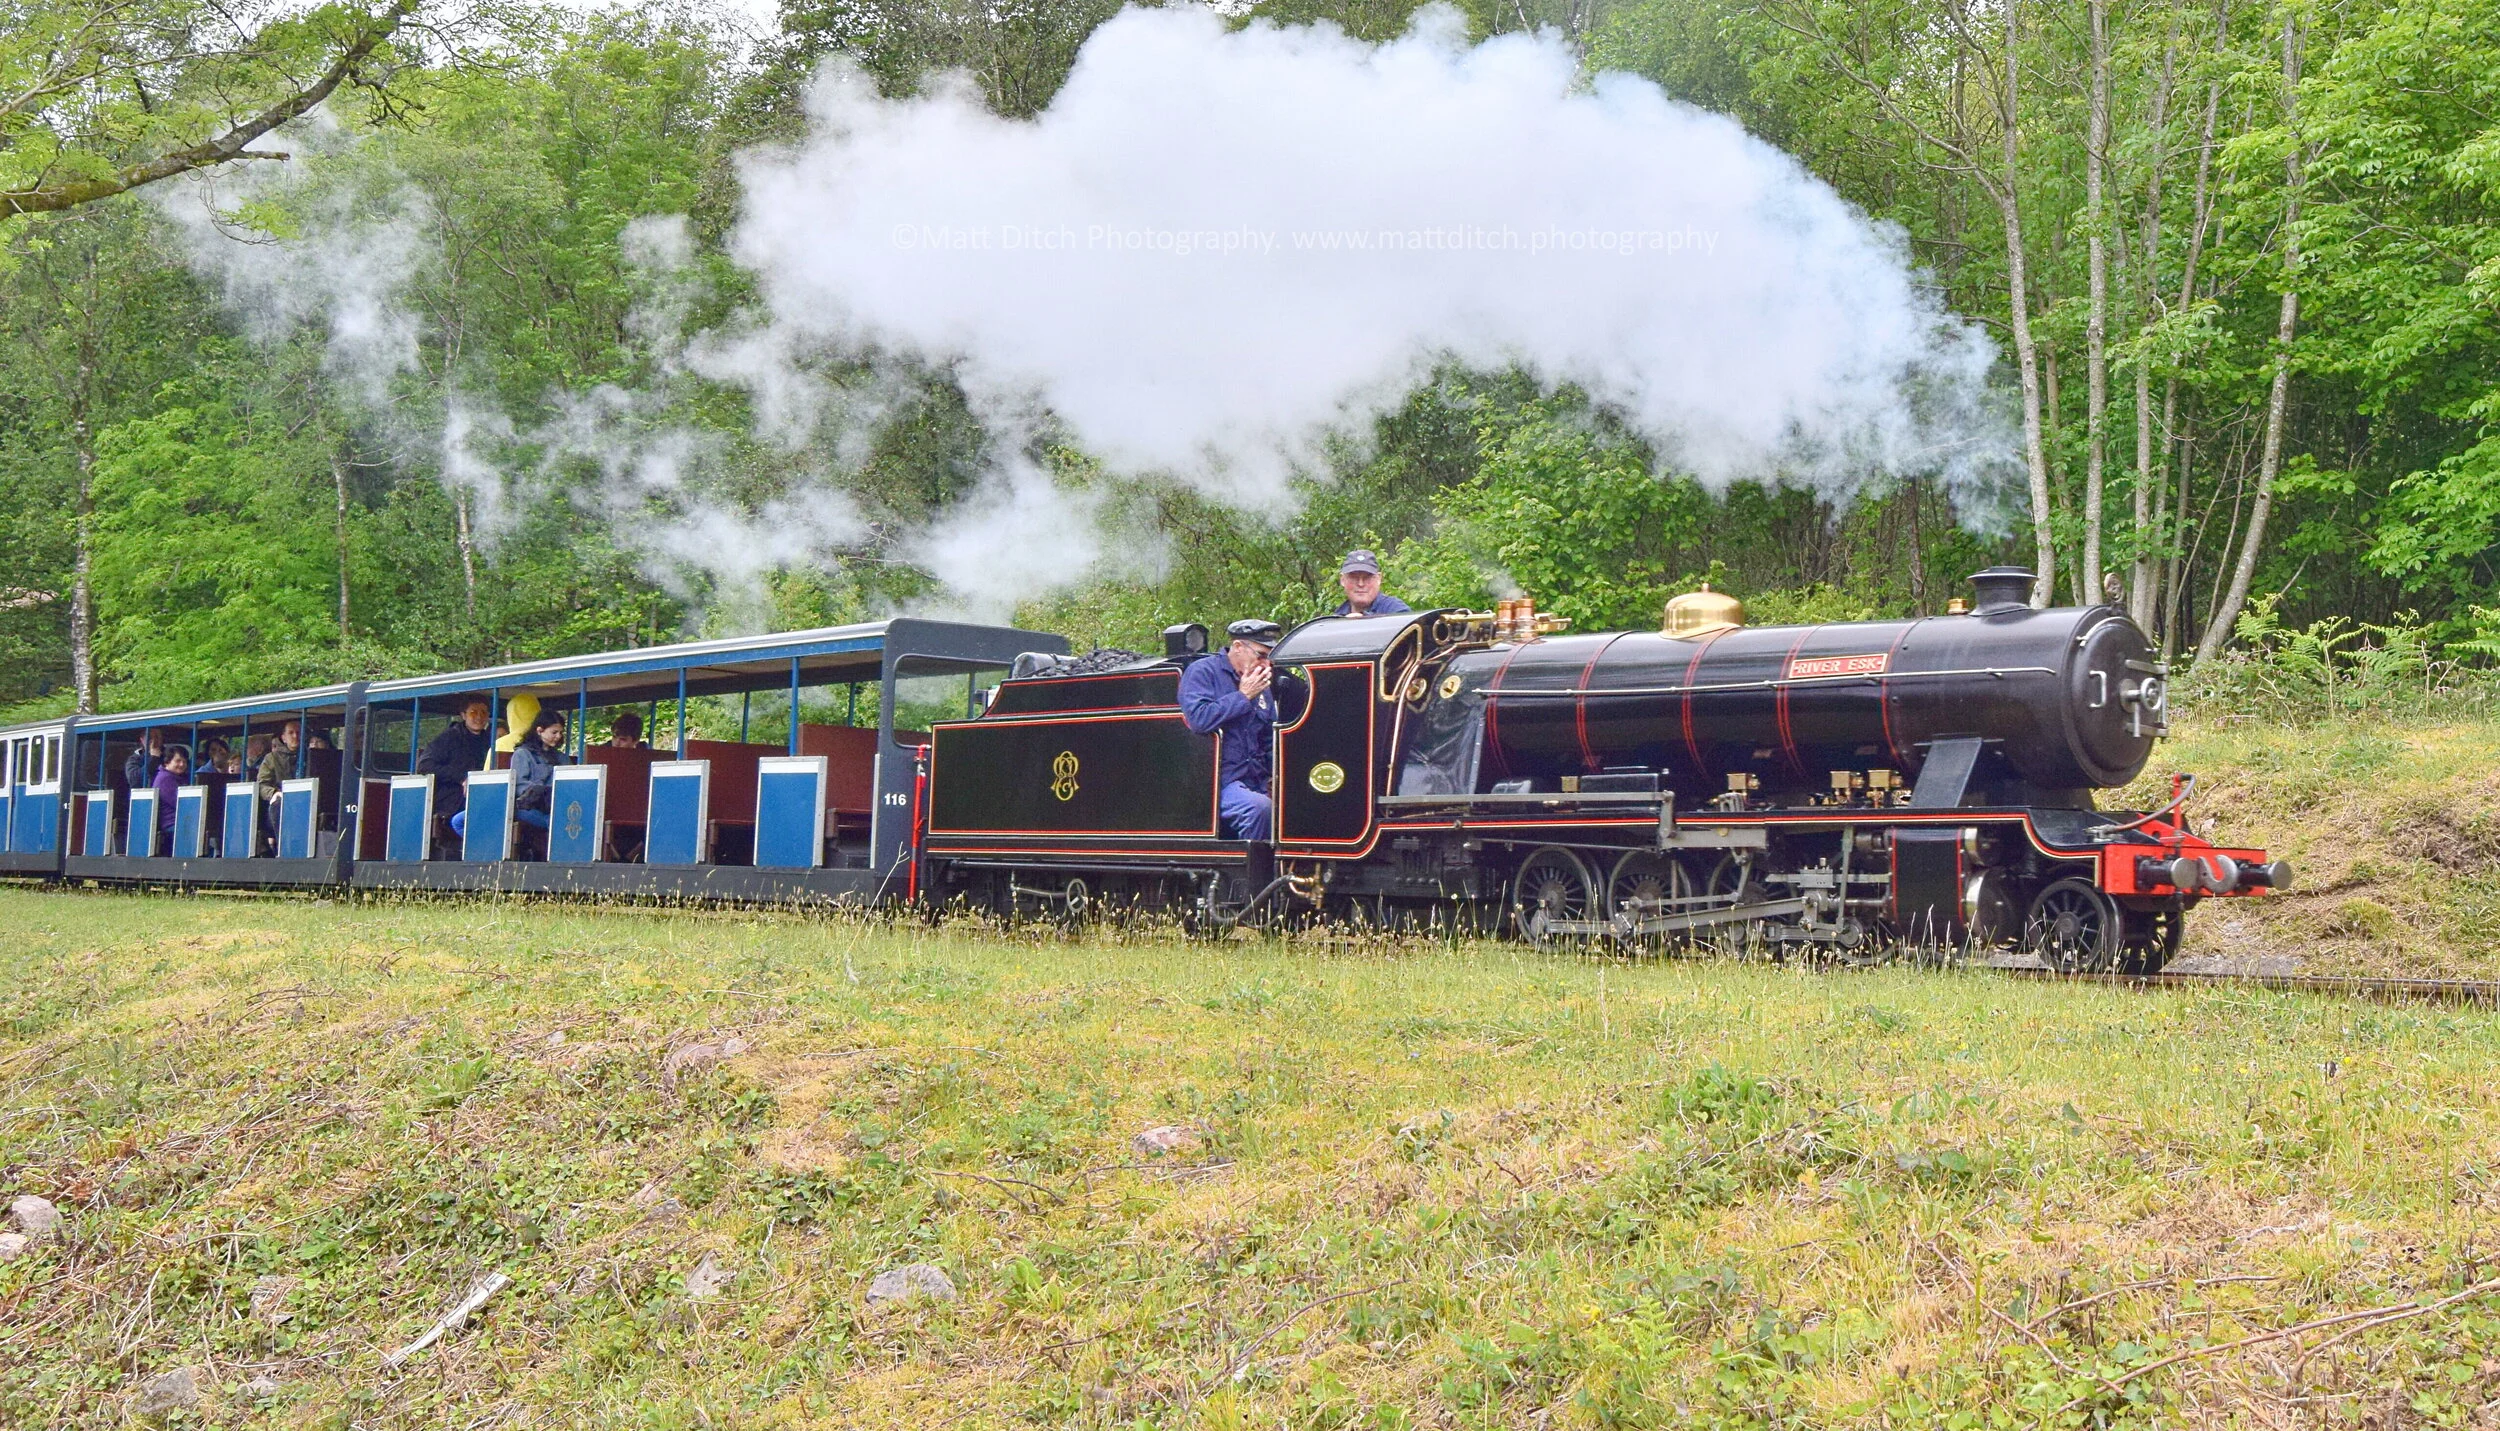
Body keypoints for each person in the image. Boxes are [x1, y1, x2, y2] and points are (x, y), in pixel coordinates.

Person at [1180, 619, 1285, 842]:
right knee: (1259, 809)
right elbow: (1199, 720)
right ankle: (1255, 875)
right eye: (1261, 656)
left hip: (1255, 781)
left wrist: (1276, 777)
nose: (1266, 665)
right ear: (1238, 647)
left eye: (1270, 659)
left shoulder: (1262, 688)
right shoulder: (1202, 672)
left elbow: (1269, 740)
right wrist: (1243, 697)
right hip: (1216, 784)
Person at [417, 698, 495, 819]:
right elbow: (424, 765)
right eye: (473, 712)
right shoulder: (449, 738)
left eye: (484, 713)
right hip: (451, 798)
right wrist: (462, 778)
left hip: (483, 793)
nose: (479, 717)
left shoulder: (490, 741)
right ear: (463, 715)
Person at [1331, 550, 1411, 618]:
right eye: (1354, 578)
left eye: (1367, 578)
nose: (1361, 584)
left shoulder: (1396, 610)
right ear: (1342, 580)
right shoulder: (1336, 617)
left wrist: (1363, 622)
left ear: (1379, 579)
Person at [151, 746, 189, 845]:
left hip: (182, 821)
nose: (182, 764)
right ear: (167, 762)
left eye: (184, 761)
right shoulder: (165, 779)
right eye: (178, 761)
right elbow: (180, 804)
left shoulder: (180, 778)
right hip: (171, 824)